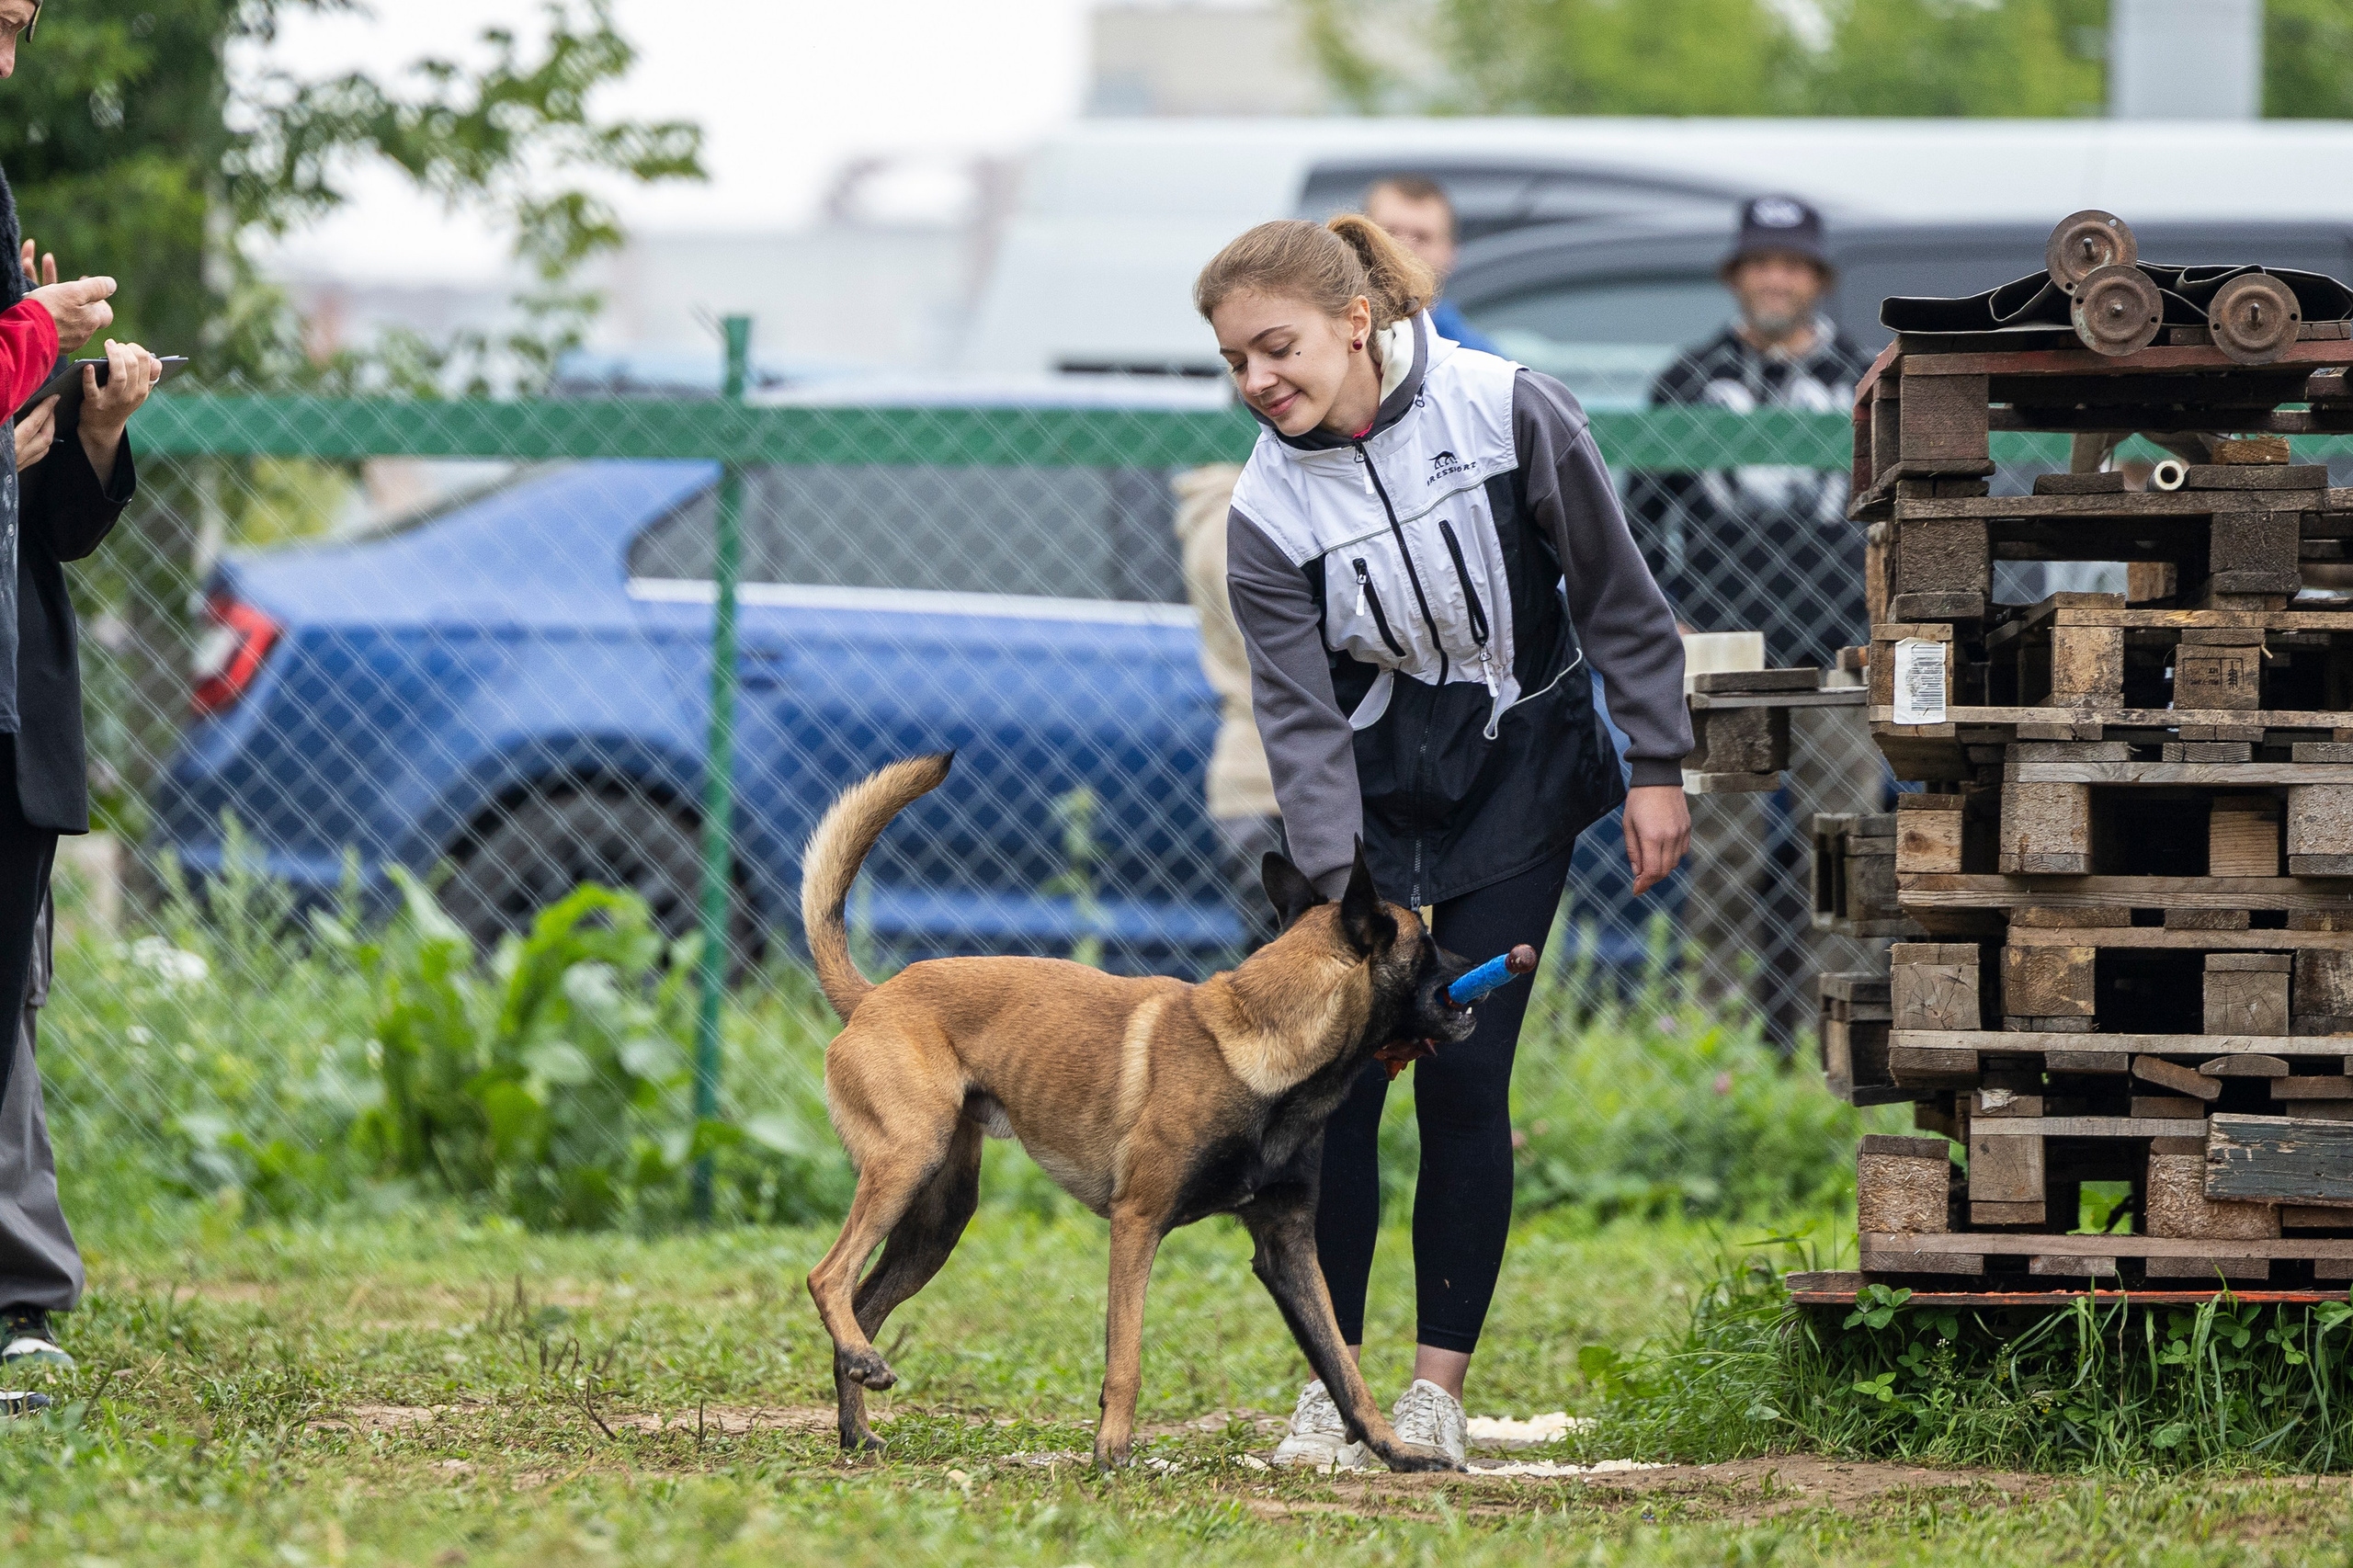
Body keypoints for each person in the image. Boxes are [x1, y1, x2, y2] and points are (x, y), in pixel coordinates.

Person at [1196, 215, 1689, 1465]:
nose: (1259, 380)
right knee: (1340, 1090)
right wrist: (1332, 900)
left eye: (1277, 346)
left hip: (1521, 769)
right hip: (1370, 797)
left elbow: (1619, 597)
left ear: (1353, 321)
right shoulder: (1263, 514)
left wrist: (1658, 764)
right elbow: (1300, 723)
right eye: (1236, 360)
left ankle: (1434, 1397)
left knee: (1465, 1077)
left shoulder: (1510, 411)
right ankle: (1338, 1386)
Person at [1623, 195, 1879, 1040]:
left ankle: (1831, 1035)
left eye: (1792, 263)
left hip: (1840, 654)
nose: (1776, 278)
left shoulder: (1865, 381)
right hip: (1725, 653)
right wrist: (1672, 619)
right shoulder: (1688, 379)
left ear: (1817, 278)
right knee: (1723, 854)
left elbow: (1907, 511)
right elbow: (1635, 519)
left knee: (1838, 848)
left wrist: (1891, 615)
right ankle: (1715, 1034)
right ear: (1738, 276)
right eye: (1761, 262)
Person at [0, 233, 157, 1401]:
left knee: (11, 1000)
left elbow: (53, 524)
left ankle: (19, 1294)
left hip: (18, 699)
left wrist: (91, 430)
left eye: (21, 34)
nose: (7, 60)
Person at [1171, 463, 1284, 951]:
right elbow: (1279, 646)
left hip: (1273, 782)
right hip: (1271, 784)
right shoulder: (1233, 519)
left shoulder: (1228, 512)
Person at [1360, 176, 1501, 357]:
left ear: (1449, 253)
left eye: (1421, 237)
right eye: (1388, 232)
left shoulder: (1474, 361)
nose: (1401, 247)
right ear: (1357, 235)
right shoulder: (1325, 332)